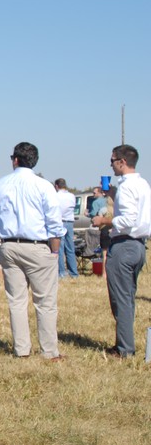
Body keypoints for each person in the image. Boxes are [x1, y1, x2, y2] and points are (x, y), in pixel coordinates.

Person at [0, 142, 65, 360]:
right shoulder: (44, 186)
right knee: (45, 302)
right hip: (38, 245)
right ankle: (49, 351)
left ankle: (21, 350)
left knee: (16, 301)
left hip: (9, 245)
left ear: (15, 160)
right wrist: (55, 252)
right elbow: (55, 224)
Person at [92, 144, 151, 358]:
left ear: (122, 162)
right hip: (138, 246)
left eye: (112, 161)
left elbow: (127, 220)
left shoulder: (126, 186)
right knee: (127, 297)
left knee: (120, 300)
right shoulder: (142, 184)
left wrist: (103, 221)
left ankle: (125, 349)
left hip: (124, 245)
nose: (111, 165)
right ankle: (124, 344)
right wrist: (113, 194)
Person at [54, 178, 79, 279]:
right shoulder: (71, 196)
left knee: (59, 249)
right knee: (70, 248)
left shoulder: (55, 196)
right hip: (70, 222)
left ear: (56, 186)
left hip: (60, 222)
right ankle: (73, 272)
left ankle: (61, 272)